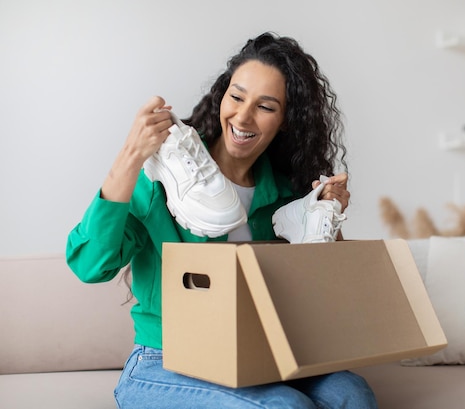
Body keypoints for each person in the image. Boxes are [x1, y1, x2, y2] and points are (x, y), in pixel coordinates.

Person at [66, 32, 378, 409]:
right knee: (284, 406)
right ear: (222, 96)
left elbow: (327, 293)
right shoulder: (163, 179)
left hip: (257, 357)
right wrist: (130, 156)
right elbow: (89, 266)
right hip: (163, 360)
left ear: (286, 121)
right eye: (237, 96)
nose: (243, 116)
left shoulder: (283, 196)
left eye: (266, 106)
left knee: (352, 395)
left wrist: (331, 212)